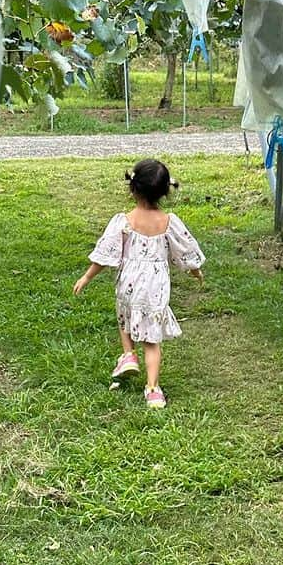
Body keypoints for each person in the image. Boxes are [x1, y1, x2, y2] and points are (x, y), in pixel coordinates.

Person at [73, 159, 205, 409]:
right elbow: (185, 249)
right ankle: (153, 390)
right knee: (152, 339)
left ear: (133, 188)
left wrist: (87, 276)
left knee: (125, 316)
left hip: (129, 282)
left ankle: (128, 355)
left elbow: (106, 251)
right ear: (165, 191)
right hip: (156, 286)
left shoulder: (125, 220)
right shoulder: (168, 222)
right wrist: (195, 271)